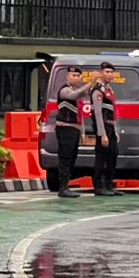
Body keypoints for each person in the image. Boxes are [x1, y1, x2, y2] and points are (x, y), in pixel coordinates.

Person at [52, 65, 88, 199]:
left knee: (72, 158)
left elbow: (81, 114)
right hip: (65, 128)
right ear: (67, 76)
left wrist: (83, 132)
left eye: (78, 76)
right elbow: (74, 95)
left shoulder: (77, 91)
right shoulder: (65, 90)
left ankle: (66, 185)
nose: (76, 78)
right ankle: (63, 187)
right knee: (65, 158)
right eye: (73, 75)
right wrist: (90, 83)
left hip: (75, 129)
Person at [89, 62, 119, 196]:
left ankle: (109, 184)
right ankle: (99, 186)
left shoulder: (109, 90)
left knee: (113, 154)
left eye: (111, 72)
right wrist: (102, 134)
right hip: (103, 126)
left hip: (111, 125)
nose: (110, 75)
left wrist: (115, 131)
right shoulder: (98, 90)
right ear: (101, 73)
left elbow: (113, 111)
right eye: (107, 72)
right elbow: (98, 113)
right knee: (101, 156)